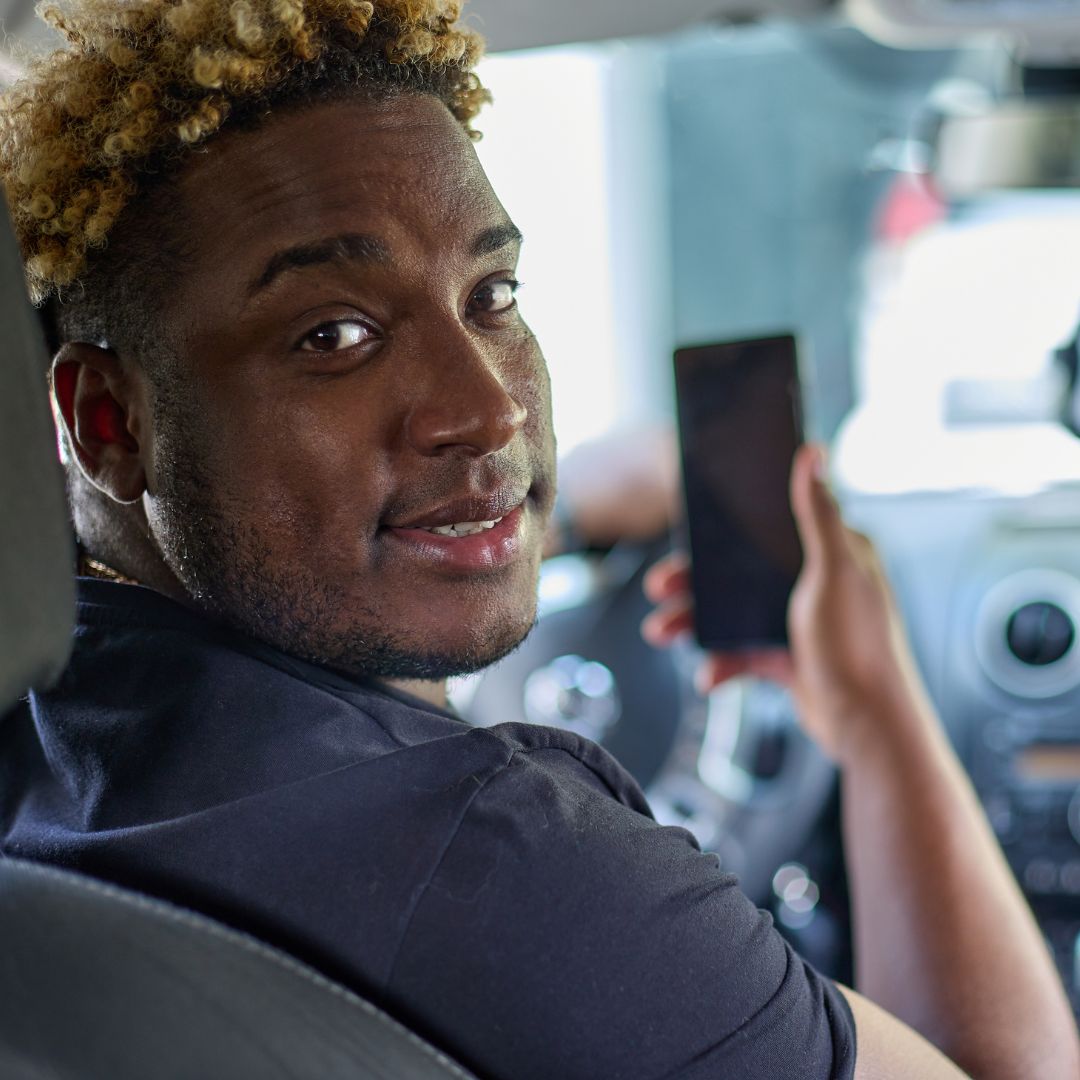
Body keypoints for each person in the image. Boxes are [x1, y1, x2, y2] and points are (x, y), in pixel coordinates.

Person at [0, 1, 1075, 1076]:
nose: (491, 410)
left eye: (492, 296)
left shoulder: (44, 761)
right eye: (336, 335)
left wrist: (531, 516)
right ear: (109, 422)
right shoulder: (502, 856)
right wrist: (879, 707)